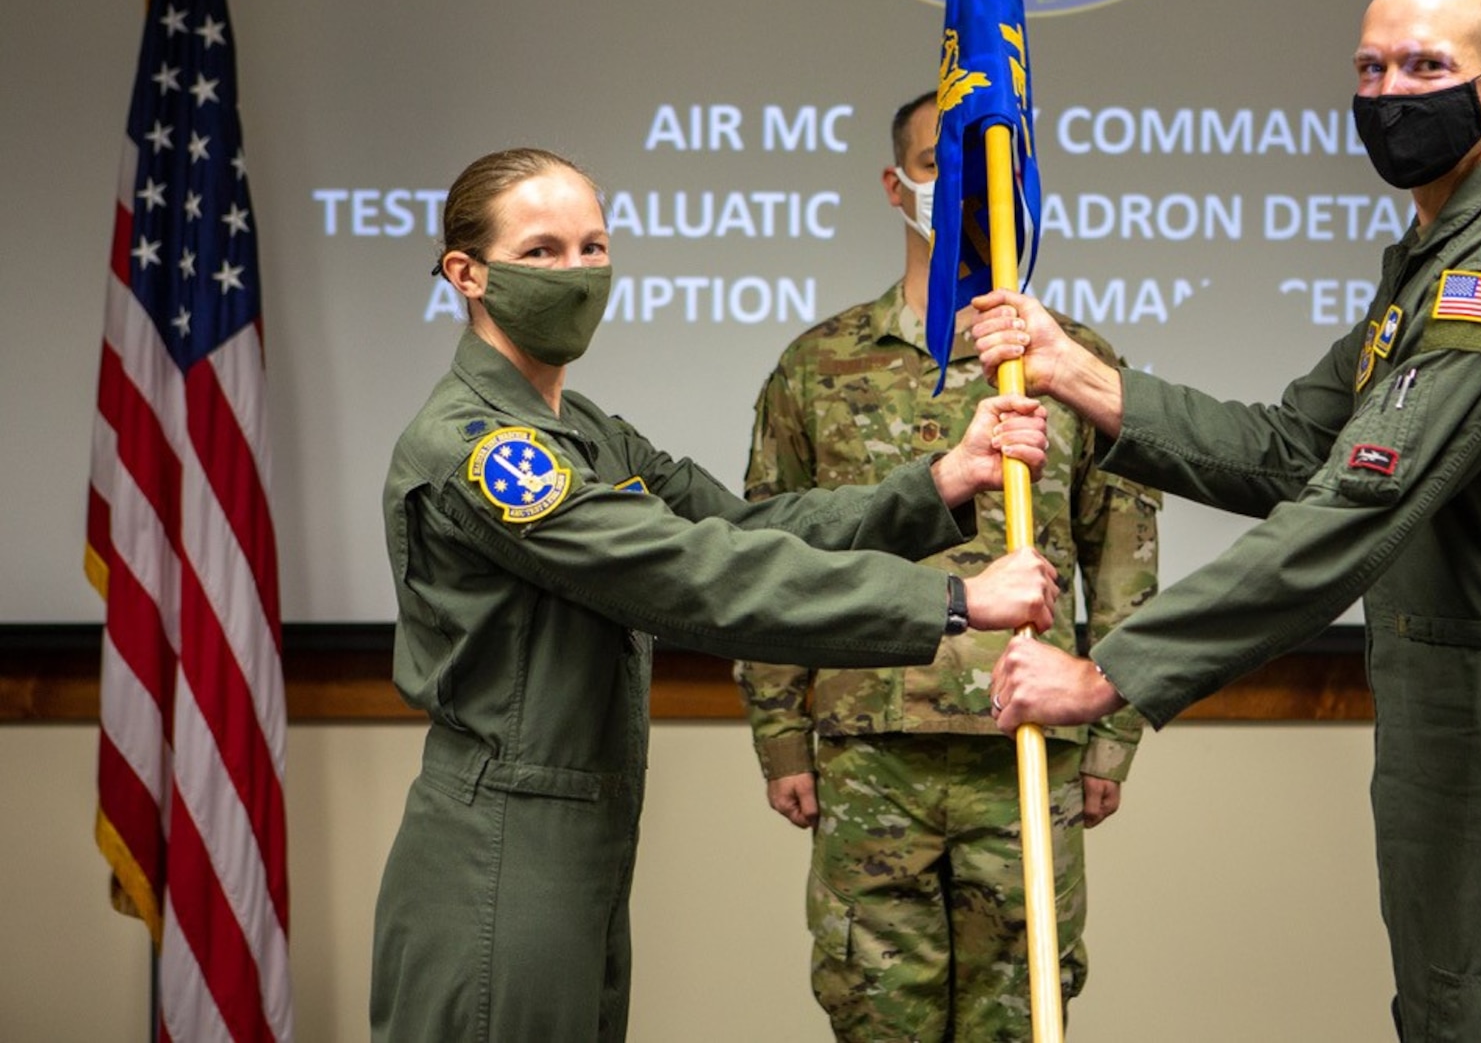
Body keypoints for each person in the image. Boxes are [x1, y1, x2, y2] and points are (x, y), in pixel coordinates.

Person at [974, 0, 1481, 1043]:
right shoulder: (1433, 258)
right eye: (1370, 67)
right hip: (1448, 700)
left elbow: (1357, 499)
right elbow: (1293, 447)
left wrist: (1110, 671)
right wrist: (1074, 372)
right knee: (1451, 1015)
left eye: (1426, 67)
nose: (1391, 92)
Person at [371, 147, 1062, 1042]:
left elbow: (746, 532)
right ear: (467, 273)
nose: (578, 274)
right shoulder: (485, 449)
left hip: (582, 832)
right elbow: (692, 574)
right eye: (542, 252)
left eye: (593, 247)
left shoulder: (582, 430)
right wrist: (953, 603)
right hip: (502, 836)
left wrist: (937, 484)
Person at [733, 92, 1161, 1040]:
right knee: (877, 1018)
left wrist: (1115, 733)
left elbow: (1123, 565)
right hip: (866, 750)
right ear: (897, 184)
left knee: (1025, 1019)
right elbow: (768, 561)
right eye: (941, 162)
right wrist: (779, 732)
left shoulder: (1073, 363)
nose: (968, 185)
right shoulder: (816, 365)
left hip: (1025, 753)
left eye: (993, 165)